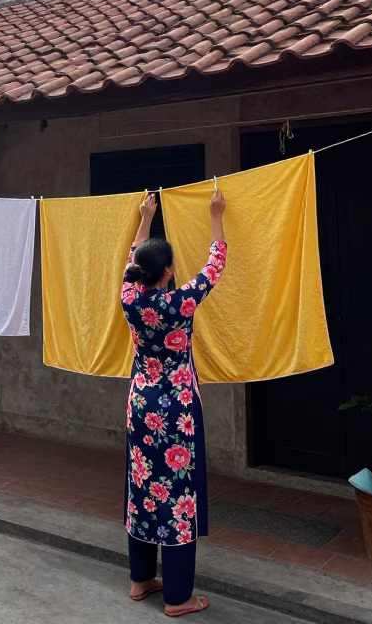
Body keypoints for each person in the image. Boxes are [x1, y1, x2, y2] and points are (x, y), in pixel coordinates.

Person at [121, 188, 226, 618]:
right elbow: (215, 264)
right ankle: (179, 597)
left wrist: (145, 218)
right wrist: (215, 216)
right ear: (167, 270)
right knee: (178, 497)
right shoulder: (180, 302)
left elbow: (132, 260)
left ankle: (141, 579)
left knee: (143, 487)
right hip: (177, 410)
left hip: (140, 405)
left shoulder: (131, 299)